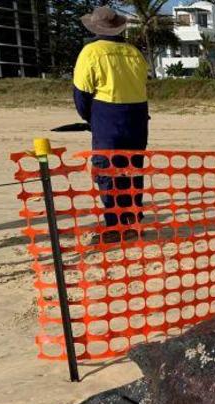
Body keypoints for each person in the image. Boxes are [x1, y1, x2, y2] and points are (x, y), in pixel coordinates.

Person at [73, 6, 149, 243]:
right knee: (132, 171)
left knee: (108, 172)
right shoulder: (134, 52)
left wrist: (90, 118)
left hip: (108, 116)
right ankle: (134, 222)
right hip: (137, 117)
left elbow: (81, 93)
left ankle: (115, 226)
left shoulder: (91, 52)